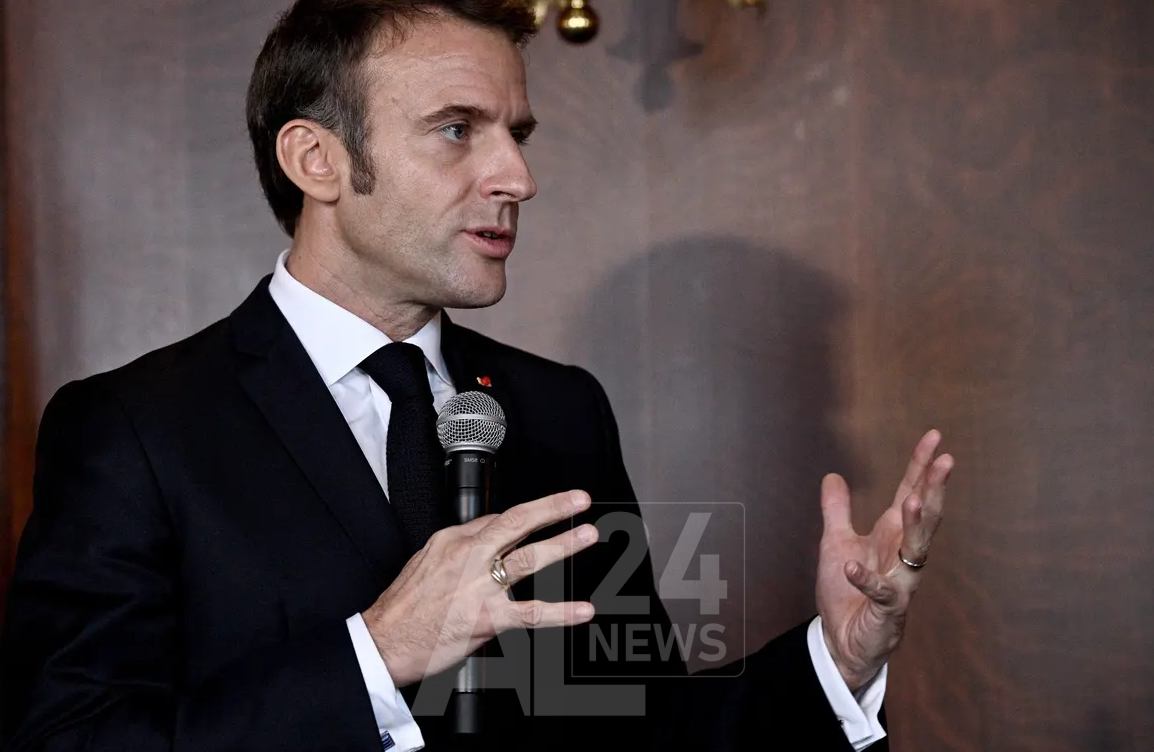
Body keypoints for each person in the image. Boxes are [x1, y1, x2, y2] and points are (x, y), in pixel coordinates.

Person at [0, 1, 953, 750]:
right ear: (316, 160)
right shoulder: (133, 427)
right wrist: (378, 654)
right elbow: (69, 739)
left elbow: (638, 727)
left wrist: (835, 662)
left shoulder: (560, 411)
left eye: (516, 134)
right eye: (458, 130)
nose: (517, 178)